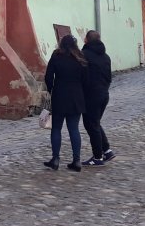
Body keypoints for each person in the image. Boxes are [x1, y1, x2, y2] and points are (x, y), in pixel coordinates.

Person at [43, 34, 88, 171]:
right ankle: (77, 160)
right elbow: (86, 79)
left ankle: (55, 159)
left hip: (60, 95)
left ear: (61, 44)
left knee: (56, 128)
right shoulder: (80, 58)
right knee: (74, 129)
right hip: (76, 97)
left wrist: (51, 90)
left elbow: (48, 76)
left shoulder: (56, 56)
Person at [81, 31, 114, 166]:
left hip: (91, 95)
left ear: (86, 40)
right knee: (95, 123)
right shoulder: (106, 56)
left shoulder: (84, 55)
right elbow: (109, 77)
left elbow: (83, 76)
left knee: (91, 124)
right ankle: (107, 150)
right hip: (104, 94)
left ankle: (98, 157)